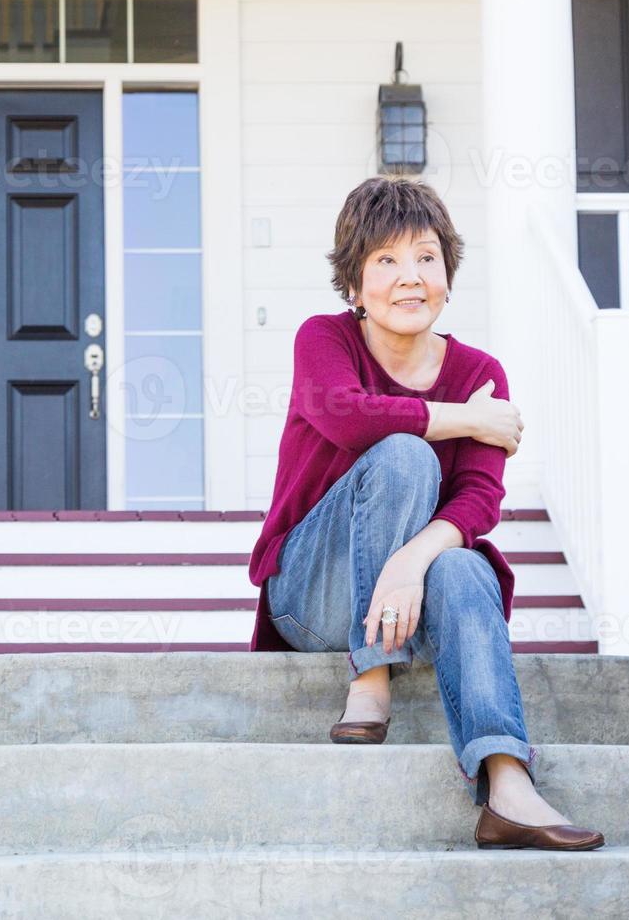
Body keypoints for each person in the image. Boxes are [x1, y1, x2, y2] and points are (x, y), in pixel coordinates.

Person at [246, 176, 604, 851]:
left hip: (409, 597)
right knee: (405, 456)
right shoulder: (323, 339)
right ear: (354, 286)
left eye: (426, 258)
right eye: (385, 261)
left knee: (466, 569)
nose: (410, 278)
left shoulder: (477, 368)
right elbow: (348, 419)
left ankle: (507, 783)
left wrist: (411, 560)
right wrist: (468, 417)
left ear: (447, 275)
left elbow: (479, 497)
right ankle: (372, 672)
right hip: (310, 593)